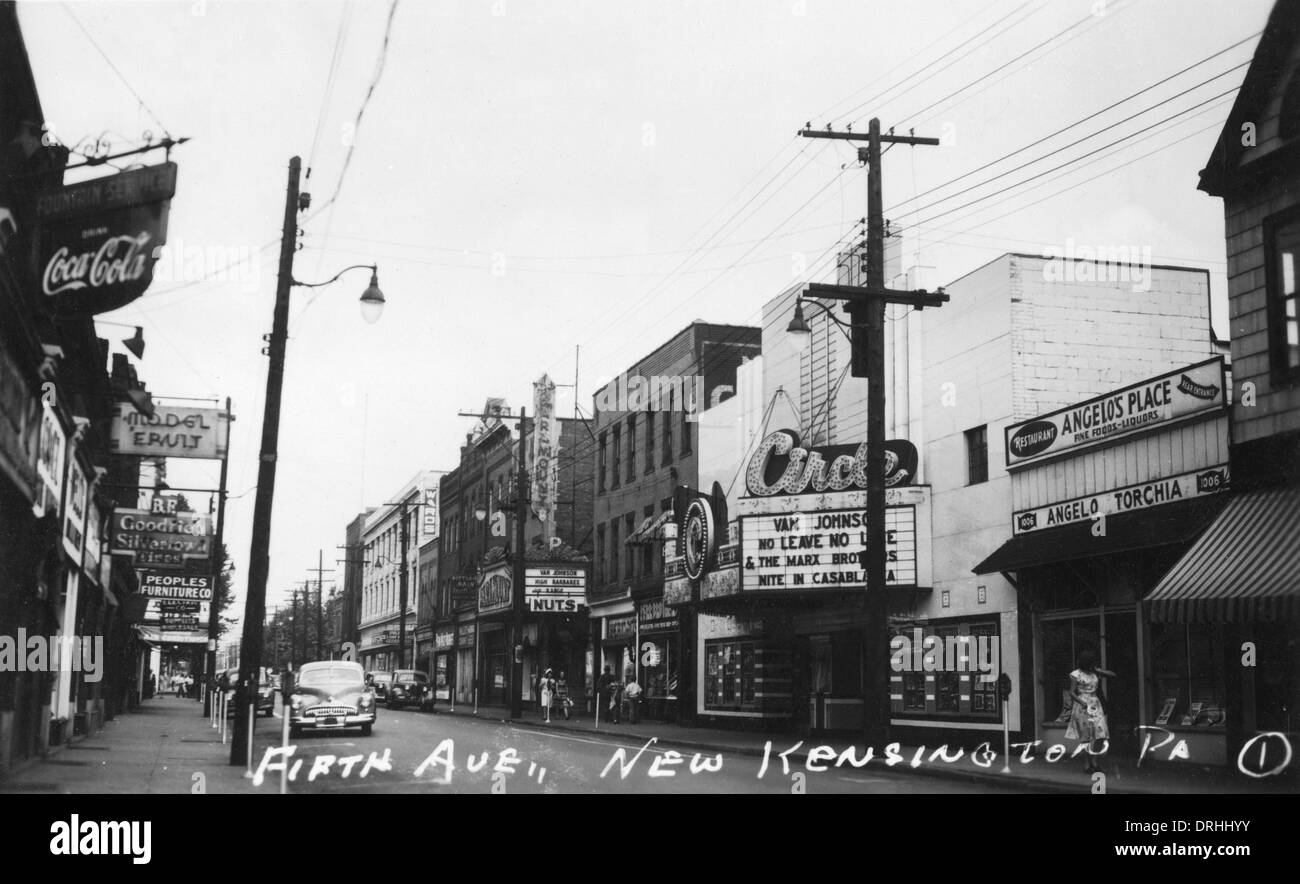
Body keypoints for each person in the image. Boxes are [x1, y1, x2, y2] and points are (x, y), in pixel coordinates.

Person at [1065, 649, 1115, 774]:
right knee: (1086, 736)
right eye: (1091, 662)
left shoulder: (1095, 672)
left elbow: (1113, 675)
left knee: (1100, 734)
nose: (1093, 664)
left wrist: (1098, 670)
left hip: (1095, 703)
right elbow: (1071, 692)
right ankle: (1087, 764)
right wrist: (1082, 702)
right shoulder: (1076, 674)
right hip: (1082, 704)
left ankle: (1095, 762)